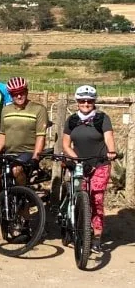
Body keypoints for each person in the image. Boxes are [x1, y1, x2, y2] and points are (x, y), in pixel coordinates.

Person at [60, 84, 118, 253]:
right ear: (77, 101)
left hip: (99, 164)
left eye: (89, 101)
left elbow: (109, 137)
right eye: (82, 100)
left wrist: (112, 152)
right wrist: (76, 159)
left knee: (96, 200)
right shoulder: (71, 120)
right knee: (79, 195)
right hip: (79, 165)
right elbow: (65, 144)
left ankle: (97, 237)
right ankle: (77, 226)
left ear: (94, 101)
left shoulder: (102, 118)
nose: (86, 103)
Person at [0, 77, 47, 194]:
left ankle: (23, 194)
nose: (18, 96)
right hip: (9, 152)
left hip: (27, 152)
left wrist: (36, 157)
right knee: (2, 175)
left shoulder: (38, 109)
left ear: (26, 91)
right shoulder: (6, 110)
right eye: (14, 94)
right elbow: (2, 133)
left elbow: (40, 136)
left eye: (21, 93)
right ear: (11, 95)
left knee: (16, 170)